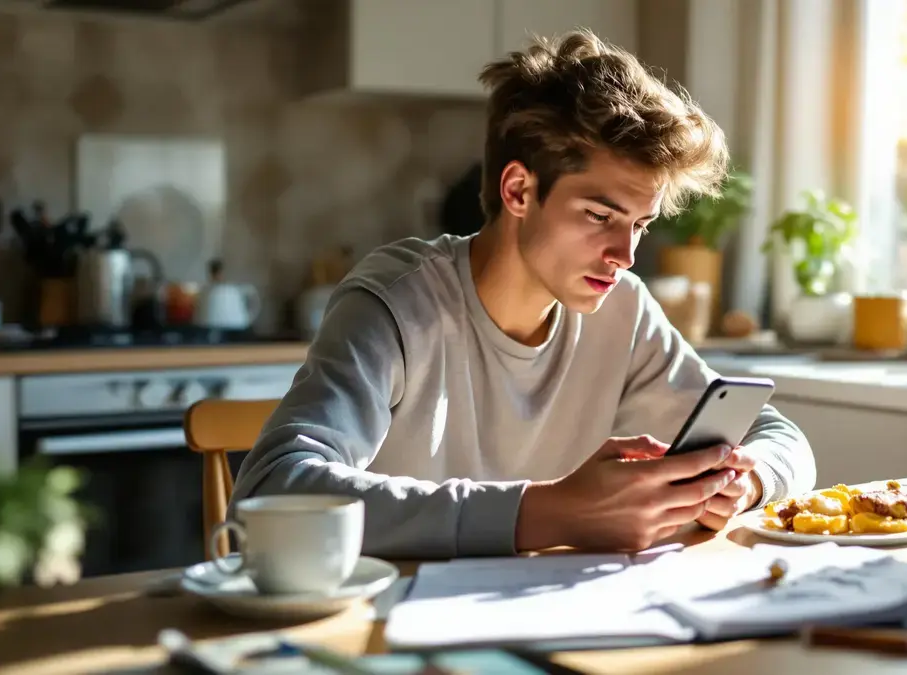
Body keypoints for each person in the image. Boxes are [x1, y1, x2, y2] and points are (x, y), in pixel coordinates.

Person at [229, 29, 816, 559]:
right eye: (598, 215)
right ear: (518, 190)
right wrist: (551, 511)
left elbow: (781, 438)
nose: (626, 254)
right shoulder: (397, 302)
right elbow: (271, 491)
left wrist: (748, 481)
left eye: (640, 224)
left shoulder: (623, 308)